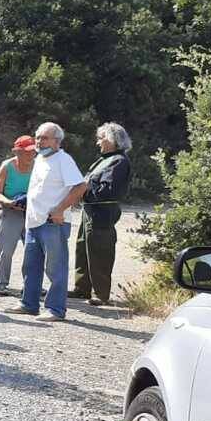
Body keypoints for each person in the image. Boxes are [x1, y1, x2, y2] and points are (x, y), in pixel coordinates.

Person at [6, 122, 88, 321]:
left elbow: (80, 186)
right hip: (34, 221)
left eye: (45, 138)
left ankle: (55, 309)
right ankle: (29, 304)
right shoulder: (41, 159)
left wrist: (60, 209)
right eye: (38, 137)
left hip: (53, 222)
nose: (40, 141)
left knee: (55, 267)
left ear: (57, 141)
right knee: (30, 265)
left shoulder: (63, 159)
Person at [70, 122, 132, 306]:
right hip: (89, 209)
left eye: (101, 138)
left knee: (100, 251)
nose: (98, 142)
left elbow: (107, 190)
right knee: (83, 248)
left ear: (114, 140)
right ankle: (82, 289)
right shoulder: (104, 159)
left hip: (102, 211)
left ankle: (101, 293)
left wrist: (84, 192)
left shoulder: (119, 161)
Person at [0, 135, 36, 296]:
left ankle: (32, 284)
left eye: (33, 151)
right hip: (9, 211)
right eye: (27, 151)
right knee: (5, 249)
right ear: (17, 151)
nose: (32, 154)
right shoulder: (7, 166)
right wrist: (8, 202)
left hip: (32, 212)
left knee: (34, 250)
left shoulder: (39, 166)